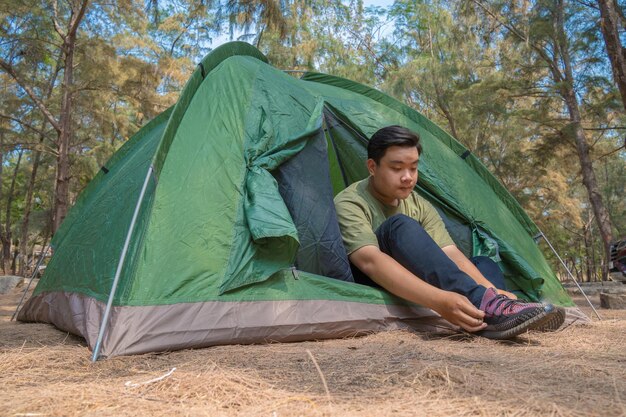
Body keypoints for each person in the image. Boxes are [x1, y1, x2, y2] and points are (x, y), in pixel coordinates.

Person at [334, 125, 564, 339]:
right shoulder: (350, 202)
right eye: (397, 168)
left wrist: (492, 290)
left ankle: (490, 312)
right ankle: (487, 308)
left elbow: (450, 252)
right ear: (372, 167)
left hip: (422, 276)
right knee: (399, 225)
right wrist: (440, 301)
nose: (408, 177)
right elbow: (370, 262)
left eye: (413, 168)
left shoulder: (419, 203)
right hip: (377, 281)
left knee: (484, 263)